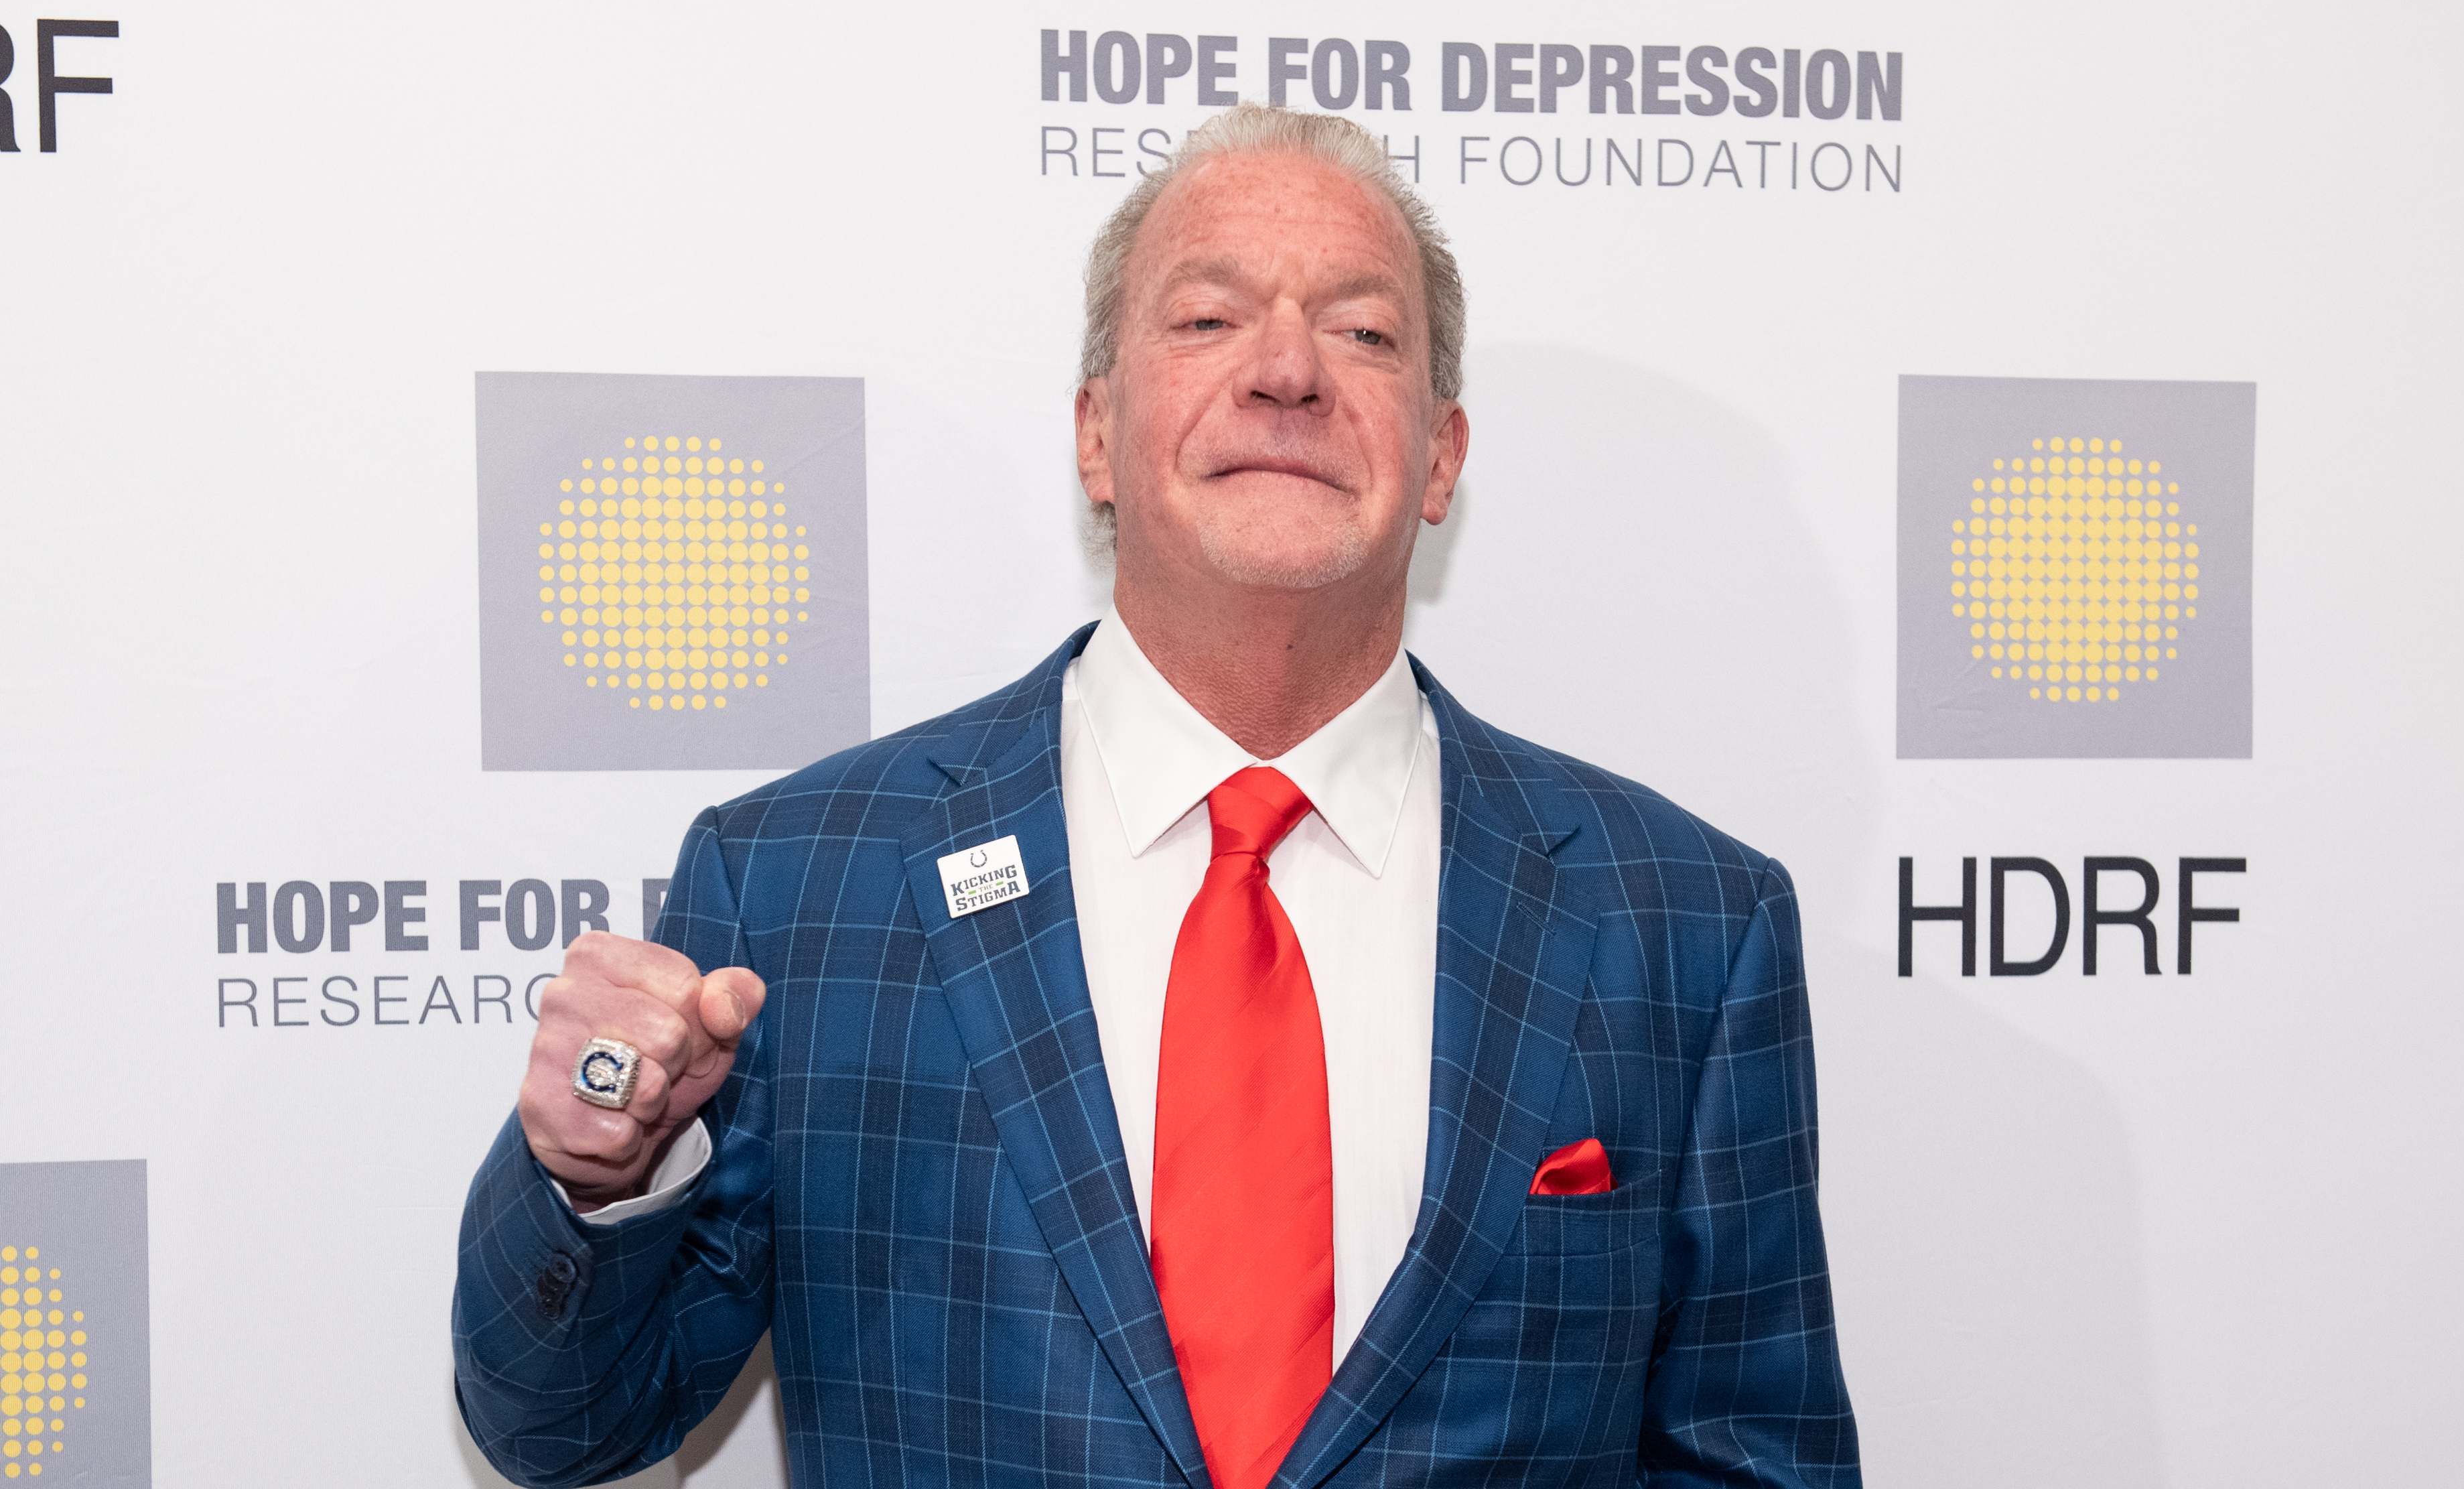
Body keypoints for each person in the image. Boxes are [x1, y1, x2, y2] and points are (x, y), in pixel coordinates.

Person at [453, 104, 1858, 1489]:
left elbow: (1755, 1459)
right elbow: (563, 1426)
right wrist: (595, 1182)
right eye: (1207, 320)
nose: (1290, 371)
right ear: (1094, 435)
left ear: (1439, 457)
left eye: (1366, 332)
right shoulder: (801, 884)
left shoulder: (1683, 922)